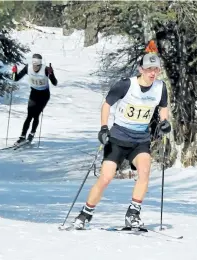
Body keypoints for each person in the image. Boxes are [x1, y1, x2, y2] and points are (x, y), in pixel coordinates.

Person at [73, 44, 171, 229]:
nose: (152, 73)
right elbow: (106, 105)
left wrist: (164, 122)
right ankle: (85, 214)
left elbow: (163, 107)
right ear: (141, 69)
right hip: (118, 138)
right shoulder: (126, 84)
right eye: (149, 69)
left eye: (156, 69)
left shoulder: (160, 87)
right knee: (106, 177)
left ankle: (133, 214)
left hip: (140, 140)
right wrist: (103, 128)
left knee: (144, 171)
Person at [12, 53, 58, 144]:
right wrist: (14, 72)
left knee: (36, 114)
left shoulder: (45, 69)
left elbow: (55, 83)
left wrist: (51, 74)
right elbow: (15, 79)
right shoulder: (28, 68)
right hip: (34, 93)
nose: (35, 67)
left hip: (44, 95)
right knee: (29, 115)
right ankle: (22, 136)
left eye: (37, 65)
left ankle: (32, 134)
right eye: (34, 65)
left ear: (40, 64)